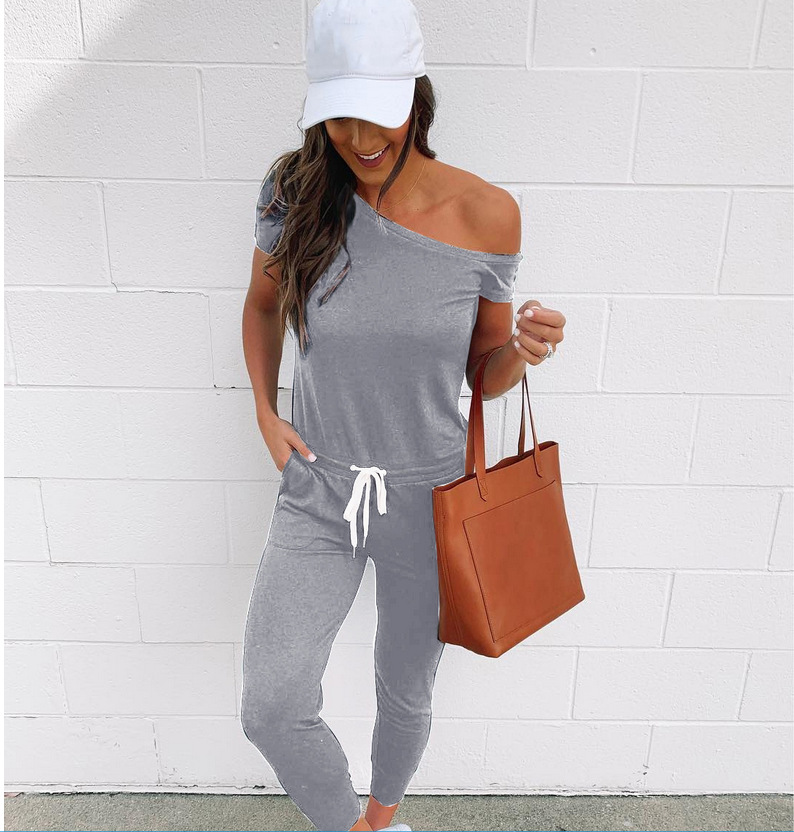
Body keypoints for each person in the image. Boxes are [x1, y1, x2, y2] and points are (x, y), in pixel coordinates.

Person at [240, 1, 566, 830]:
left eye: (375, 109)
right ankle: (347, 824)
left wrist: (521, 352)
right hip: (320, 487)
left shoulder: (488, 215)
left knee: (405, 689)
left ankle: (384, 818)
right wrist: (266, 414)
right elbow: (262, 305)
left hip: (430, 498)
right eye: (337, 115)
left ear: (415, 93)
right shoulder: (296, 191)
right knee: (272, 704)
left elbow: (483, 373)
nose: (358, 136)